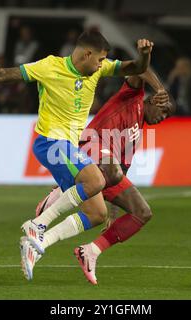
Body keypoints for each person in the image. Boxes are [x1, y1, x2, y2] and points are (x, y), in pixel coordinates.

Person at [0, 30, 162, 281]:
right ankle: (38, 224)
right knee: (97, 180)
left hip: (69, 148)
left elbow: (136, 67)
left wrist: (145, 55)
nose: (101, 65)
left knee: (97, 214)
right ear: (87, 53)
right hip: (51, 143)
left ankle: (35, 246)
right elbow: (3, 74)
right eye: (99, 60)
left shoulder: (99, 69)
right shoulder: (49, 66)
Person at [28, 69, 174, 284]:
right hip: (89, 147)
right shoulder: (132, 96)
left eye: (167, 117)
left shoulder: (135, 136)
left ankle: (91, 251)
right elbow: (140, 68)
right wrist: (160, 86)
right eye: (164, 112)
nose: (162, 119)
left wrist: (113, 215)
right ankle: (61, 191)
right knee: (111, 173)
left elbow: (119, 175)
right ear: (153, 101)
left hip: (107, 167)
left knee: (142, 212)